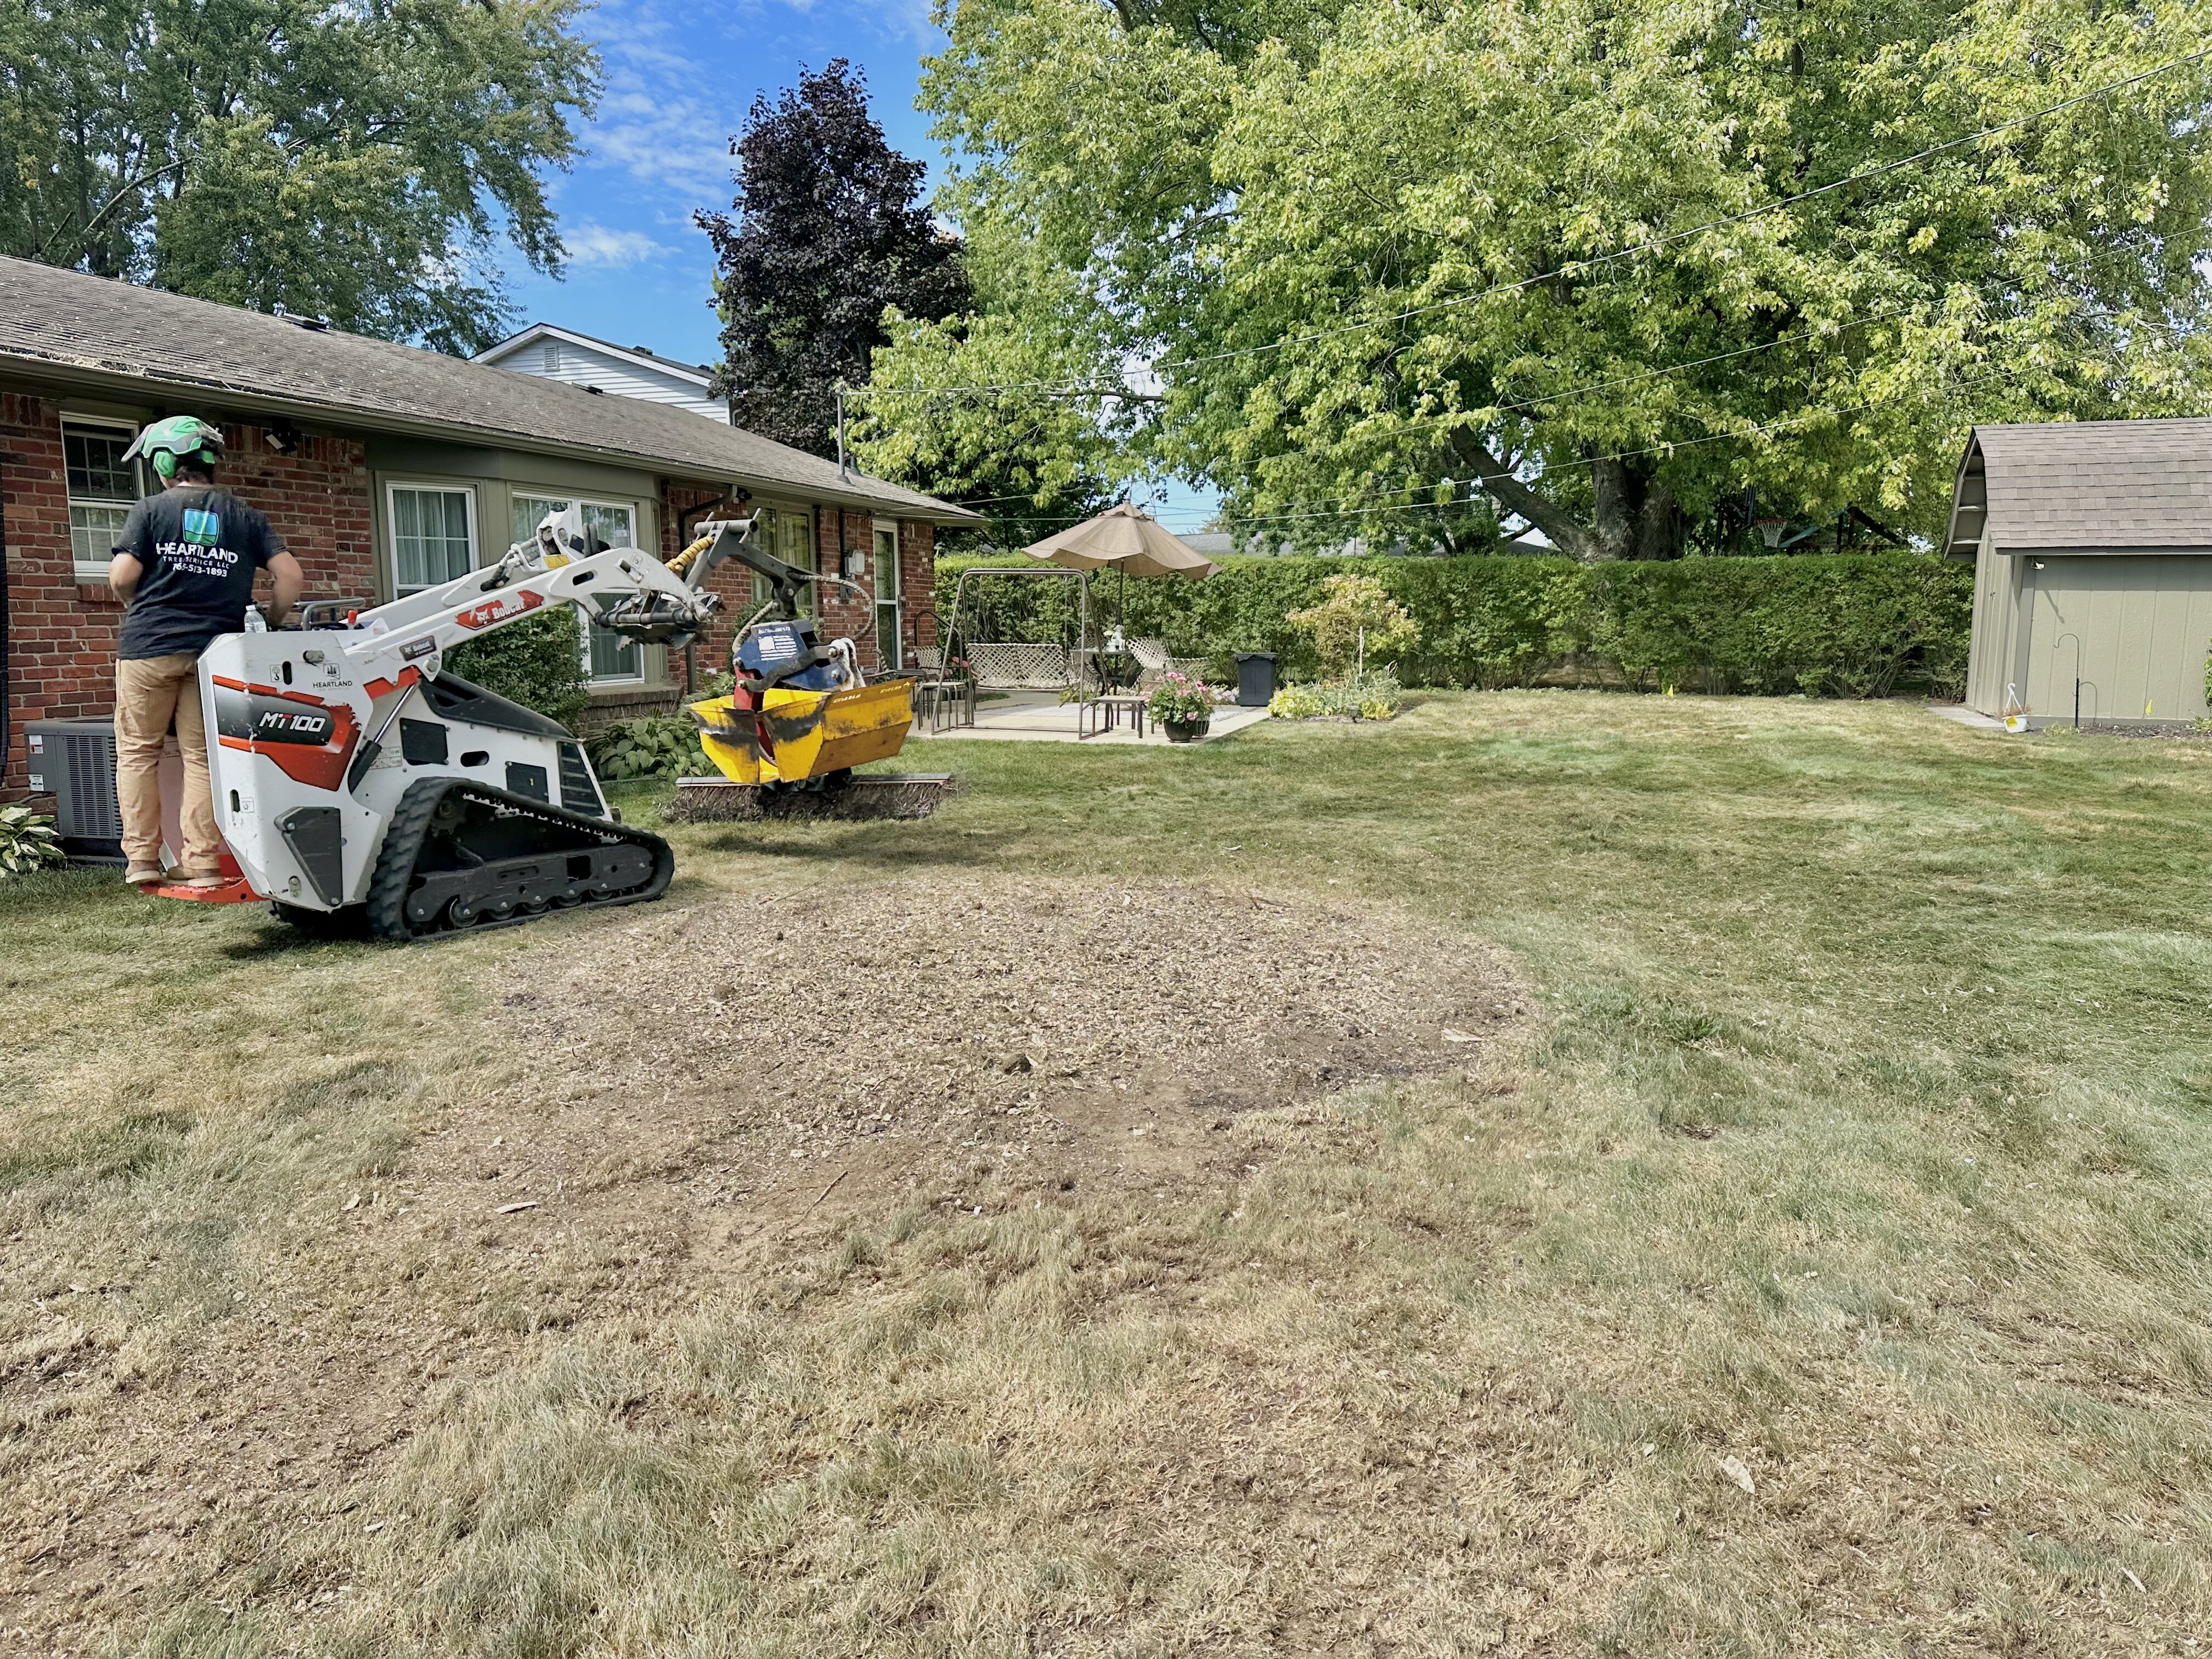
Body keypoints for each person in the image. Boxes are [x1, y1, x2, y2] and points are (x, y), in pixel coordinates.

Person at [106, 416, 304, 889]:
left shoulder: (151, 510)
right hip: (215, 655)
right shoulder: (246, 517)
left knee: (137, 752)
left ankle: (142, 860)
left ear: (166, 462)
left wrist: (140, 606)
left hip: (149, 649)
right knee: (202, 757)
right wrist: (271, 620)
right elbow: (291, 578)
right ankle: (201, 862)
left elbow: (120, 577)